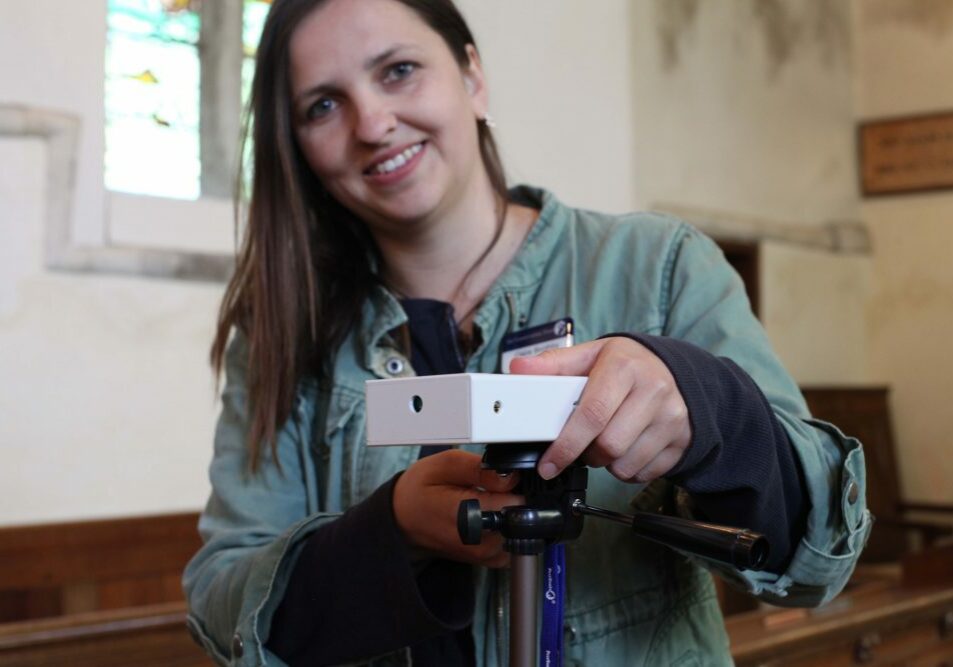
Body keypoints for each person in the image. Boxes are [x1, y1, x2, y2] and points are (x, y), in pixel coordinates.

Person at [183, 0, 872, 665]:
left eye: (397, 70)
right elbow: (223, 604)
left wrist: (707, 408)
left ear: (472, 77)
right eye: (322, 105)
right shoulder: (282, 335)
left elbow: (816, 556)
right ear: (297, 146)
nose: (372, 122)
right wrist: (391, 531)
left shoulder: (656, 268)